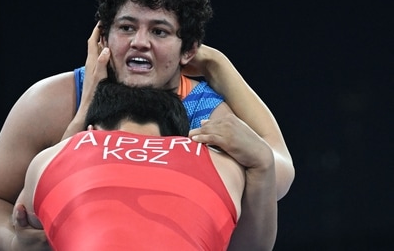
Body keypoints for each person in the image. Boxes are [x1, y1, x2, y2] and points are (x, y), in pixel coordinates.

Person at [0, 0, 293, 251]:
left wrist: (218, 65)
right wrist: (15, 243)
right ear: (102, 37)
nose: (140, 42)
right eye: (126, 27)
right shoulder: (52, 100)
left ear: (189, 50)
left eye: (159, 31)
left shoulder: (204, 110)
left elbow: (275, 178)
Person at [16, 77, 275, 250]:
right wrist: (263, 162)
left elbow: (26, 231)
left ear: (93, 130)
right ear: (182, 139)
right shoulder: (222, 165)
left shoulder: (49, 160)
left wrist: (75, 133)